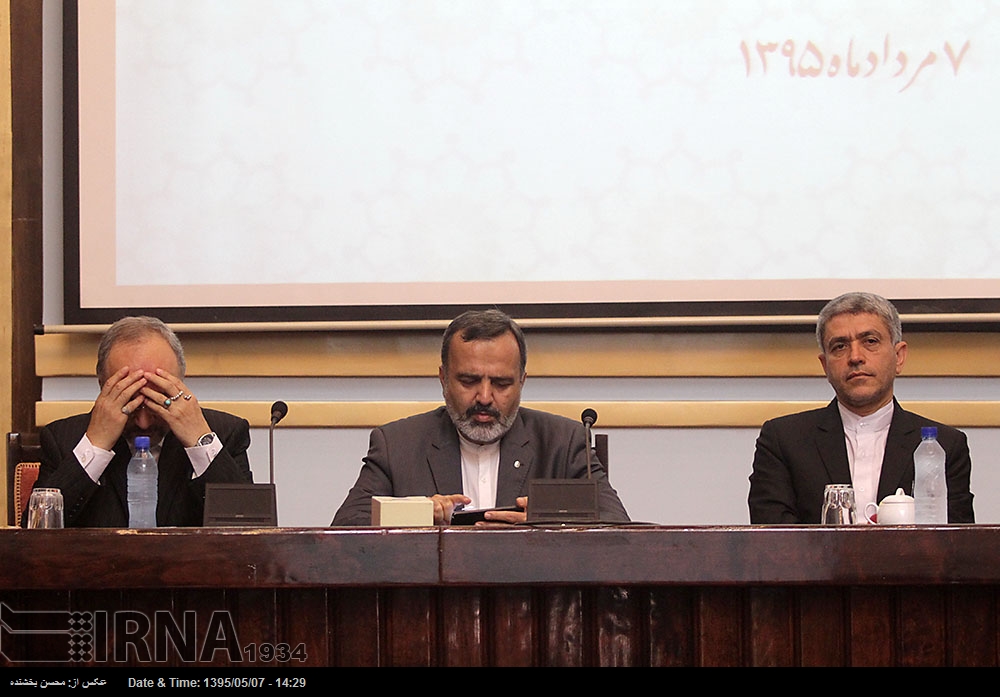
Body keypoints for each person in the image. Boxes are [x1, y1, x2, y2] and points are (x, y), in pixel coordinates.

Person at [332, 309, 630, 525]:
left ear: (522, 382)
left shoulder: (564, 443)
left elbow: (618, 528)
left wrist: (547, 523)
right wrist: (418, 513)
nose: (485, 397)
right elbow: (347, 529)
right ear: (443, 379)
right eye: (469, 381)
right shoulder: (397, 445)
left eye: (501, 383)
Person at [748, 292, 974, 524]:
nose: (855, 357)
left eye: (870, 342)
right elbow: (773, 538)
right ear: (825, 366)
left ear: (899, 357)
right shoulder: (783, 440)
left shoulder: (944, 445)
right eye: (840, 346)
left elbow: (958, 541)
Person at [28, 316, 253, 527]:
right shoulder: (63, 439)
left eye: (157, 401)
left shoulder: (226, 433)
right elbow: (36, 534)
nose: (144, 423)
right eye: (130, 401)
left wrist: (200, 442)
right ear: (103, 386)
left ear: (179, 384)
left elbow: (252, 530)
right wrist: (95, 446)